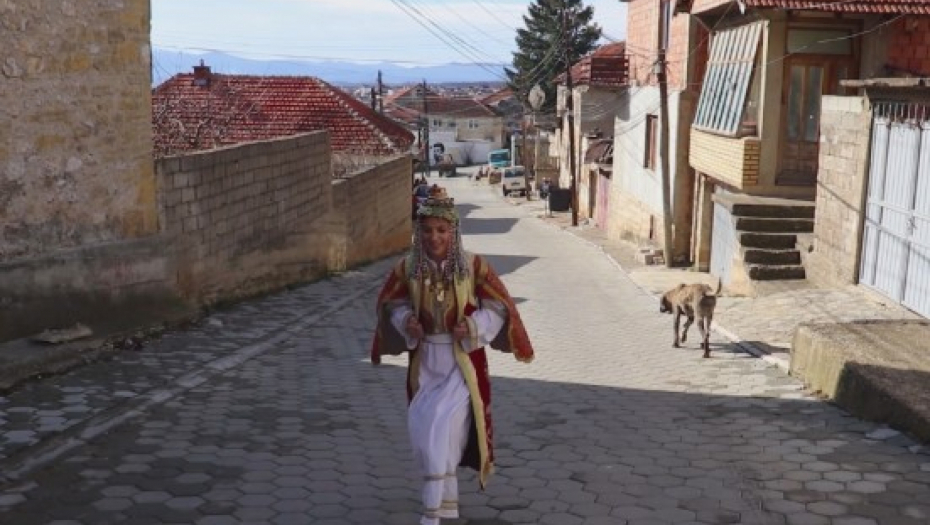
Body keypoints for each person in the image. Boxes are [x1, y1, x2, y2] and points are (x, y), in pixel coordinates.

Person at [371, 186, 534, 525]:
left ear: (453, 232)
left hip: (462, 365)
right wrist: (407, 323)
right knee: (423, 430)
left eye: (442, 230)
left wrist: (473, 327)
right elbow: (391, 303)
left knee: (441, 432)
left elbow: (500, 307)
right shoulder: (407, 268)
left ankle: (431, 514)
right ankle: (448, 503)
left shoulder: (474, 266)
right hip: (425, 363)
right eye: (428, 230)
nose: (435, 237)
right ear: (420, 232)